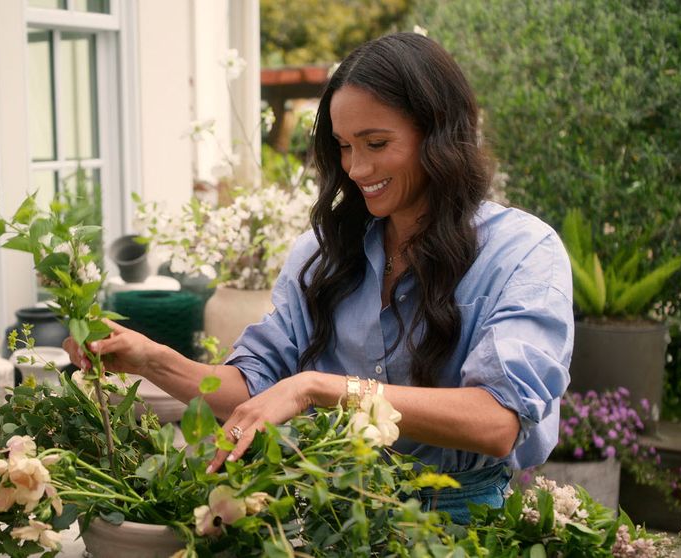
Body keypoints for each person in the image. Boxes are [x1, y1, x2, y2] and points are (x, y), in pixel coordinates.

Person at [64, 32, 573, 524]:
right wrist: (150, 359)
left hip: (461, 526)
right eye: (343, 146)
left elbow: (496, 422)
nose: (355, 167)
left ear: (439, 134)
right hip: (333, 518)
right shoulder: (324, 255)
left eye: (375, 142)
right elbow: (254, 388)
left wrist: (317, 388)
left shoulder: (522, 252)